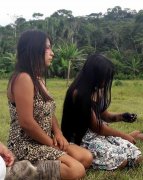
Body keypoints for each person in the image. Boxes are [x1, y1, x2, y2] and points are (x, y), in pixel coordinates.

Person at [6, 29, 93, 179]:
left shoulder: (37, 78)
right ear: (33, 49)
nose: (52, 53)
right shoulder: (23, 78)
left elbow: (48, 111)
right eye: (47, 48)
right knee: (76, 170)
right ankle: (19, 169)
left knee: (86, 157)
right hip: (26, 145)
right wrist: (52, 145)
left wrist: (58, 133)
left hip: (43, 141)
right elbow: (26, 123)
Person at [61, 54, 142, 171]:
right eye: (105, 77)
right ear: (94, 75)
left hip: (99, 137)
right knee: (122, 161)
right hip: (83, 140)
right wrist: (124, 135)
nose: (106, 81)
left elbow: (105, 115)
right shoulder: (78, 93)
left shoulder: (96, 90)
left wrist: (122, 116)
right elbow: (97, 127)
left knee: (137, 157)